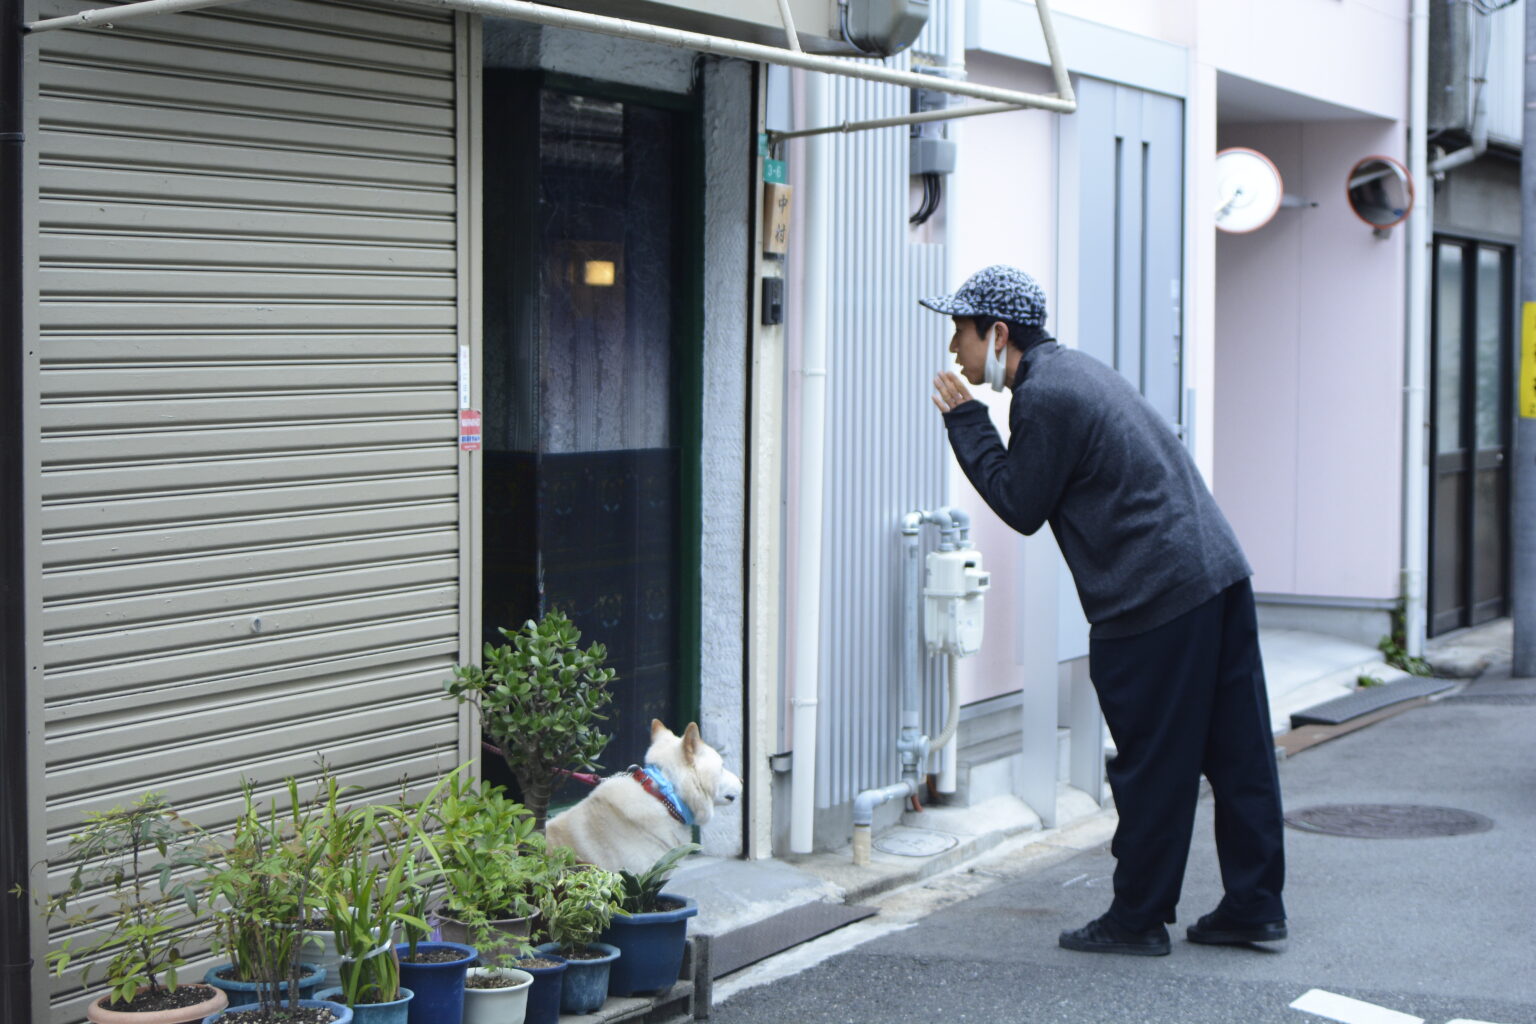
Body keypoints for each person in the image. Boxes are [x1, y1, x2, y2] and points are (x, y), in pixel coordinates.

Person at [921, 264, 1287, 957]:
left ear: (998, 334)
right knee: (1237, 751)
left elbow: (1021, 505)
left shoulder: (1046, 396)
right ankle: (1255, 905)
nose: (954, 353)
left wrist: (966, 421)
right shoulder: (1076, 373)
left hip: (1156, 595)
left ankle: (1137, 919)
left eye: (960, 333)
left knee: (1153, 763)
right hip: (1215, 572)